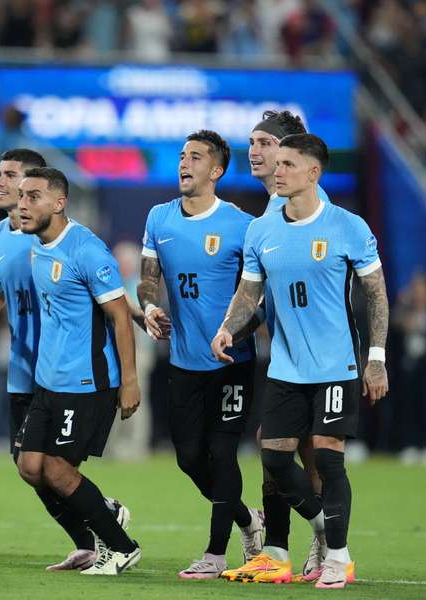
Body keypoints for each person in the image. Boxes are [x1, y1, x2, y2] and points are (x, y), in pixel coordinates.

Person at [0, 149, 128, 572]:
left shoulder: (60, 240)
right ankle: (90, 537)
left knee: (55, 467)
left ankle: (108, 535)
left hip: (73, 372)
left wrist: (141, 321)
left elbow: (108, 298)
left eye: (15, 178)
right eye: (0, 176)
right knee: (28, 465)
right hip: (28, 370)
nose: (4, 185)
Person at [213, 134, 389, 589]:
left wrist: (376, 359)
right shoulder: (262, 230)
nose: (278, 170)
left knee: (329, 462)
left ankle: (339, 558)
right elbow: (249, 293)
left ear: (313, 173)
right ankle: (322, 529)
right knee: (273, 461)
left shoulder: (347, 226)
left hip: (336, 367)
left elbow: (376, 294)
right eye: (279, 163)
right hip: (285, 369)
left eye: (289, 164)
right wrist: (228, 327)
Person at [137, 130, 264, 579]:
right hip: (184, 362)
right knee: (189, 457)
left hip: (232, 363)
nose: (184, 164)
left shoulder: (242, 225)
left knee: (222, 451)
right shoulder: (159, 218)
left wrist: (233, 331)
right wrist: (151, 307)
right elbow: (148, 278)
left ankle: (215, 555)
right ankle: (249, 520)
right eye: (181, 156)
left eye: (195, 157)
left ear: (217, 170)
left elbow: (256, 298)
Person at [14, 166, 141, 576]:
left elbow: (120, 317)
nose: (23, 204)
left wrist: (130, 381)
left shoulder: (86, 250)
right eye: (21, 196)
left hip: (86, 382)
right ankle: (97, 523)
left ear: (59, 202)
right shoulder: (38, 246)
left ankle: (121, 548)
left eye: (33, 196)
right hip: (49, 380)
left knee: (56, 468)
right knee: (29, 466)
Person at [239, 109, 332, 581]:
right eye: (252, 142)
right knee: (278, 446)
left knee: (312, 450)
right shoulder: (271, 213)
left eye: (265, 142)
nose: (255, 151)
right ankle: (278, 548)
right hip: (285, 354)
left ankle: (325, 542)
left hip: (319, 355)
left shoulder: (301, 207)